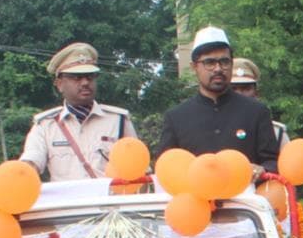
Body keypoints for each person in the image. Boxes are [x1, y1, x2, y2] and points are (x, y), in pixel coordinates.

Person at [155, 27, 282, 171]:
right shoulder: (176, 117)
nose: (218, 69)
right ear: (194, 67)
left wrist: (262, 169)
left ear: (231, 63)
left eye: (224, 61)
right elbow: (165, 166)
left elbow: (273, 162)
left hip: (245, 192)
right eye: (209, 62)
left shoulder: (256, 111)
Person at [19, 43, 133, 181]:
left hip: (109, 201)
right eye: (76, 77)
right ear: (59, 84)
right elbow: (31, 162)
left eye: (90, 76)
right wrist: (20, 174)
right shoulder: (45, 126)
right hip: (68, 202)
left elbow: (138, 168)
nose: (85, 83)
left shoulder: (118, 121)